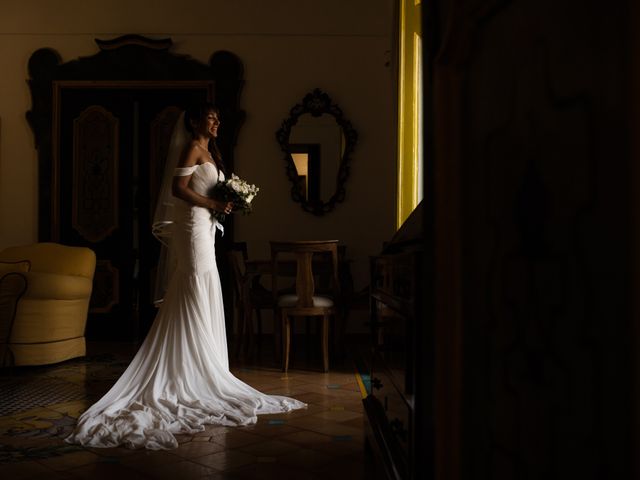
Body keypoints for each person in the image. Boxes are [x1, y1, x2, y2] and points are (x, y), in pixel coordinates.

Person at [65, 103, 306, 450]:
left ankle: (201, 365)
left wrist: (227, 201)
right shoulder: (191, 147)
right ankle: (194, 369)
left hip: (206, 229)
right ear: (195, 122)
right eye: (211, 117)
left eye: (218, 118)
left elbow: (204, 189)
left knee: (201, 285)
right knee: (194, 282)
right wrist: (212, 205)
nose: (217, 122)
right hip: (192, 227)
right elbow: (178, 189)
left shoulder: (210, 151)